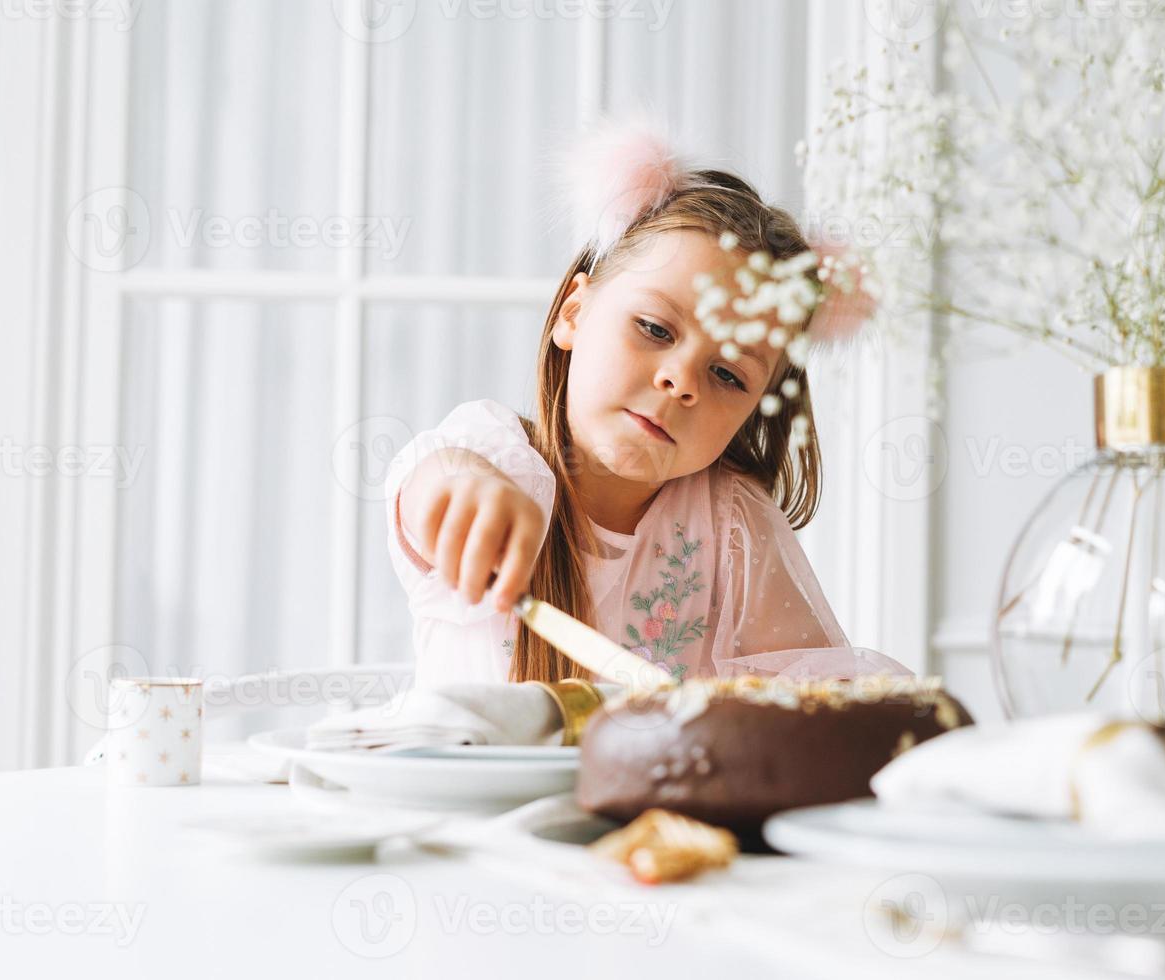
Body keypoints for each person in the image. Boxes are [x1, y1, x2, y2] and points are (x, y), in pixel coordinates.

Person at [386, 120, 908, 689]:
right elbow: (435, 480)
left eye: (728, 375)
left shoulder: (729, 523)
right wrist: (466, 493)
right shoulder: (495, 455)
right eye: (656, 329)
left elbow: (810, 695)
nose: (681, 381)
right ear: (573, 312)